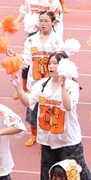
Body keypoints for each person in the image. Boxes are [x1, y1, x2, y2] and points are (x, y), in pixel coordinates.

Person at [10, 51, 91, 180]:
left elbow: (67, 106)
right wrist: (18, 86)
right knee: (49, 175)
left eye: (55, 63)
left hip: (68, 140)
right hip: (48, 140)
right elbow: (28, 102)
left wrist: (63, 87)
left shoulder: (72, 86)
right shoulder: (41, 85)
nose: (51, 66)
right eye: (49, 63)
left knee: (77, 173)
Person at [13, 10, 64, 146]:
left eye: (46, 21)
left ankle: (49, 135)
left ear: (53, 22)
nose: (43, 24)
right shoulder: (31, 40)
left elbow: (61, 61)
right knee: (32, 109)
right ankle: (33, 135)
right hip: (34, 82)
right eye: (41, 21)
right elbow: (26, 59)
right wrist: (14, 55)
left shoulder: (57, 40)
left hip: (50, 82)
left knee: (49, 109)